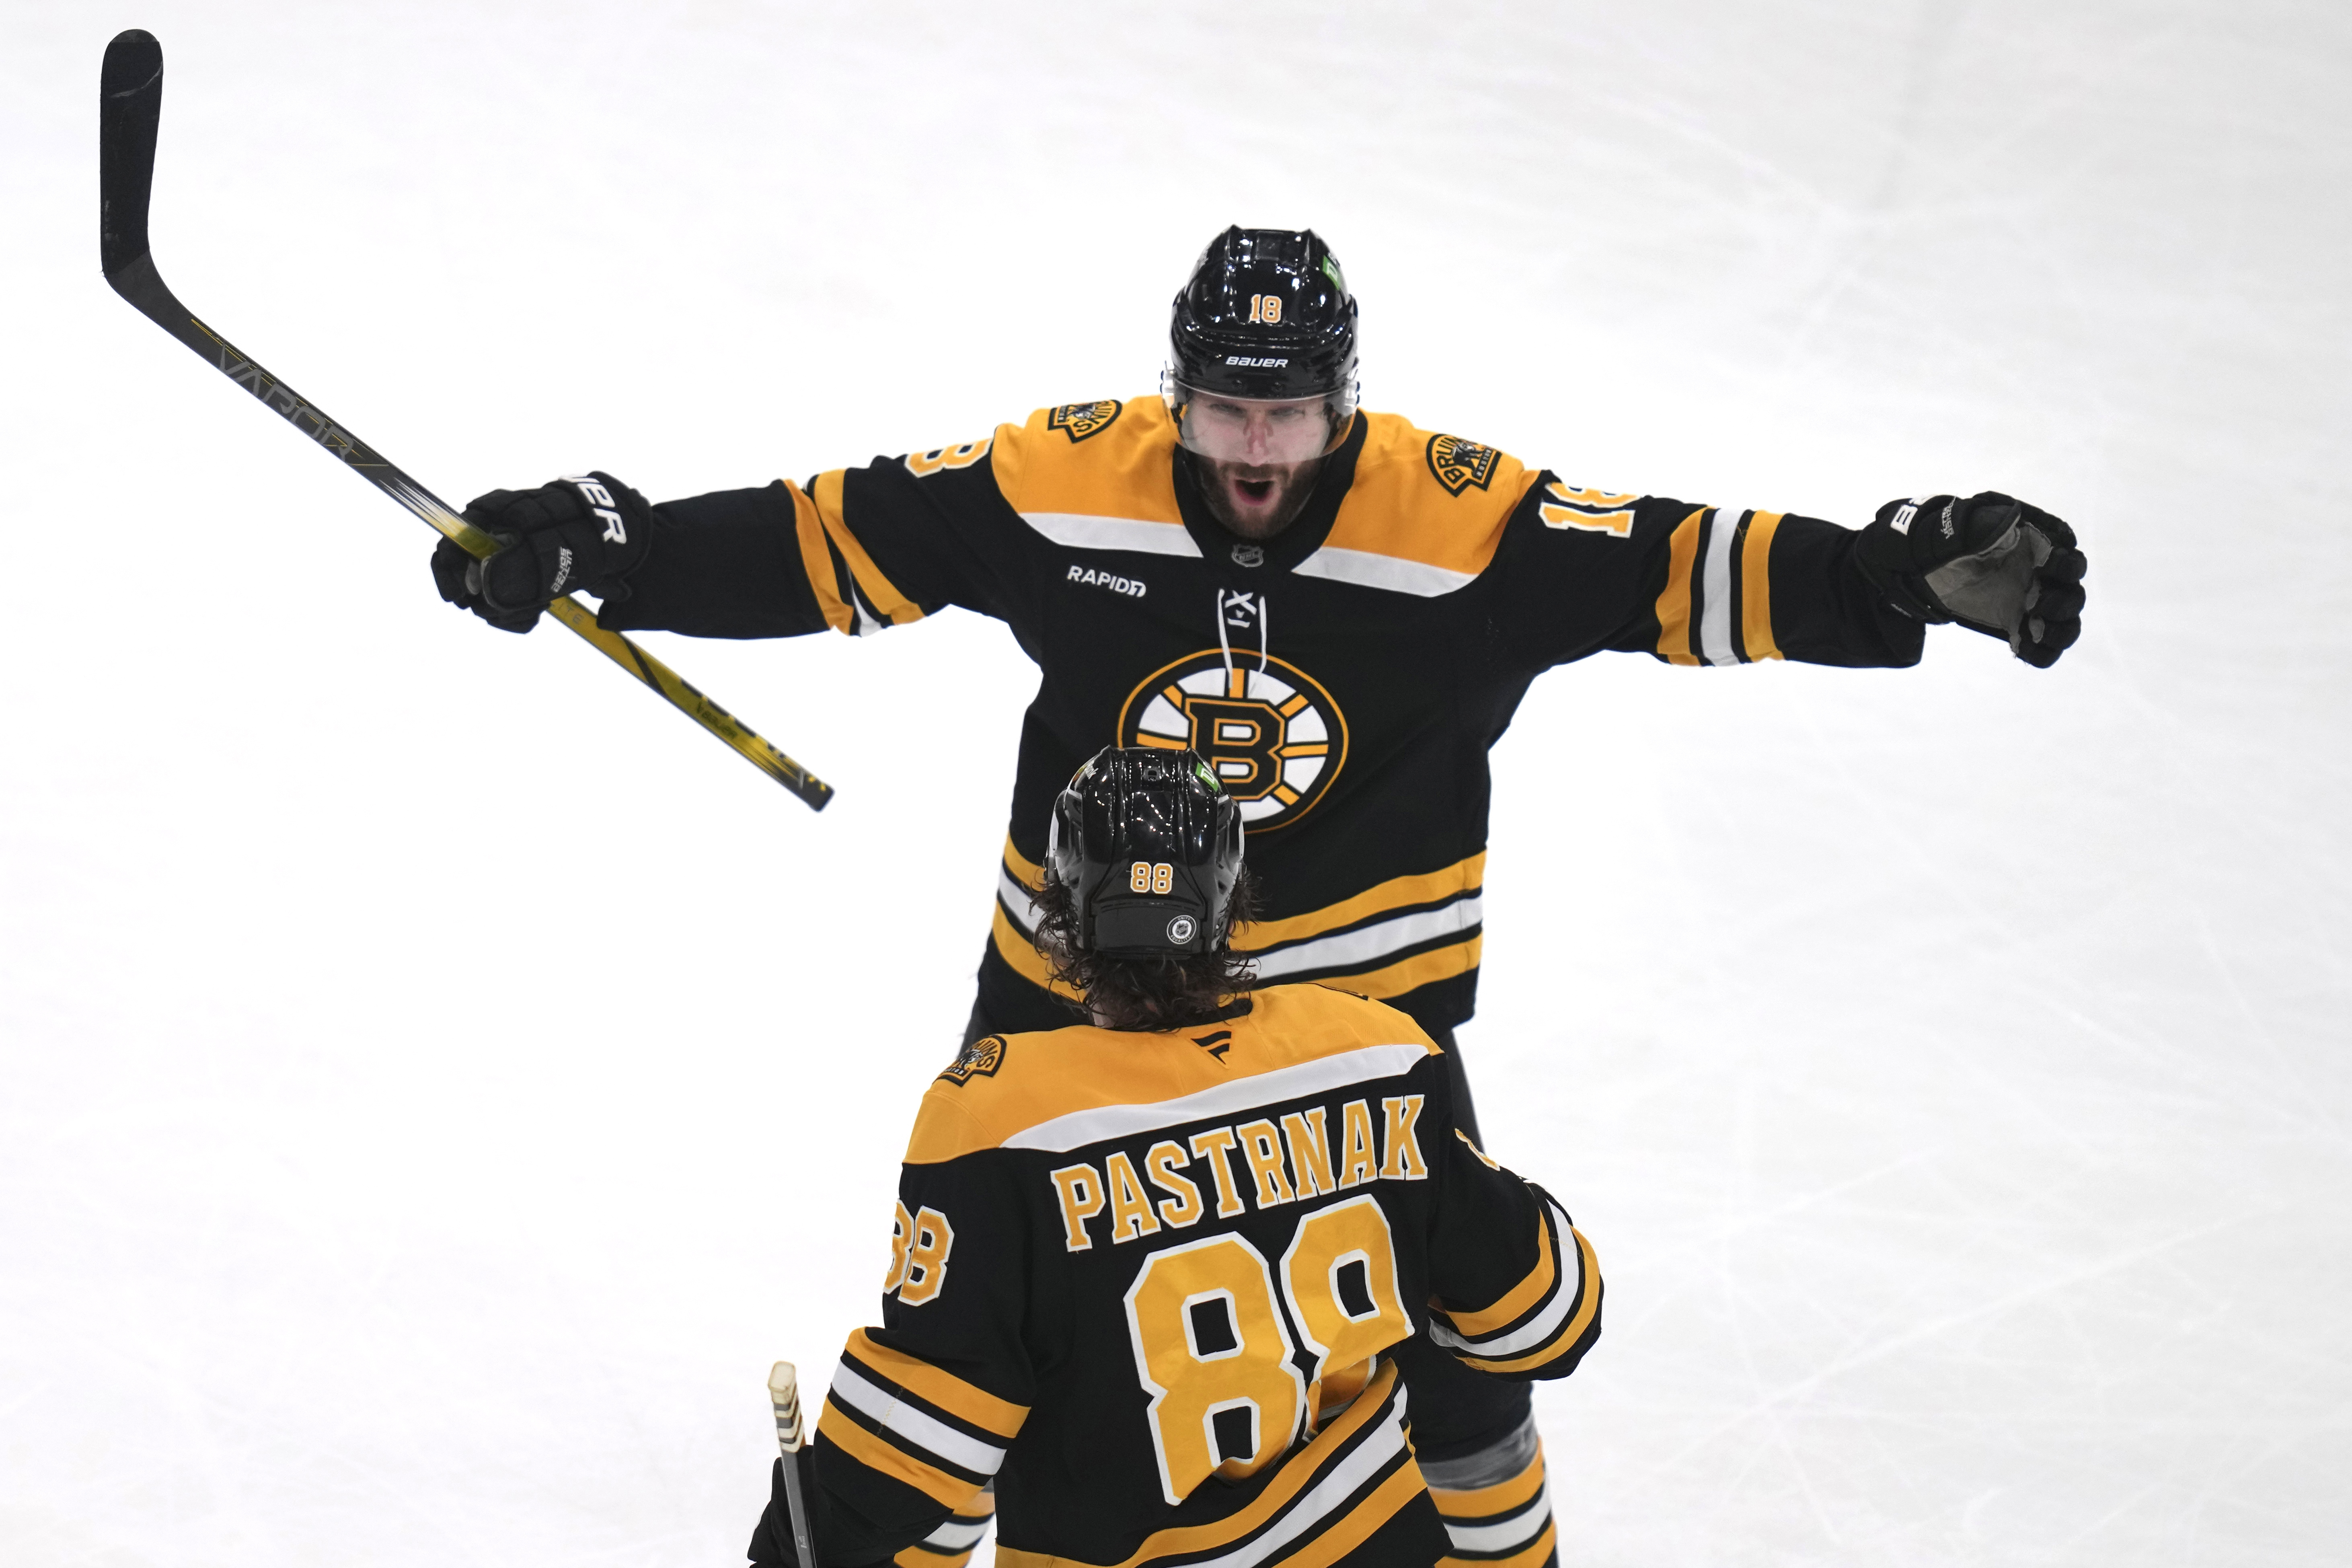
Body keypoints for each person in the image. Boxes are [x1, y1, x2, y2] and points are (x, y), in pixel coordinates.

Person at [430, 227, 2087, 1541]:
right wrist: (612, 548)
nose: (1254, 445)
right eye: (1225, 407)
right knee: (1010, 1322)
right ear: (1179, 392)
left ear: (1342, 401)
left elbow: (1675, 568)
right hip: (1086, 989)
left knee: (1455, 1363)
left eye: (1288, 412)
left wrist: (1885, 578)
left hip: (1353, 1028)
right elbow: (834, 538)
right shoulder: (1061, 479)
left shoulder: (1461, 523)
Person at [748, 747, 1600, 1568]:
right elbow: (1550, 1318)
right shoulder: (1372, 1052)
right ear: (1231, 896)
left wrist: (802, 1535)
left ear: (1060, 910)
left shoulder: (1001, 1121)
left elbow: (924, 1443)